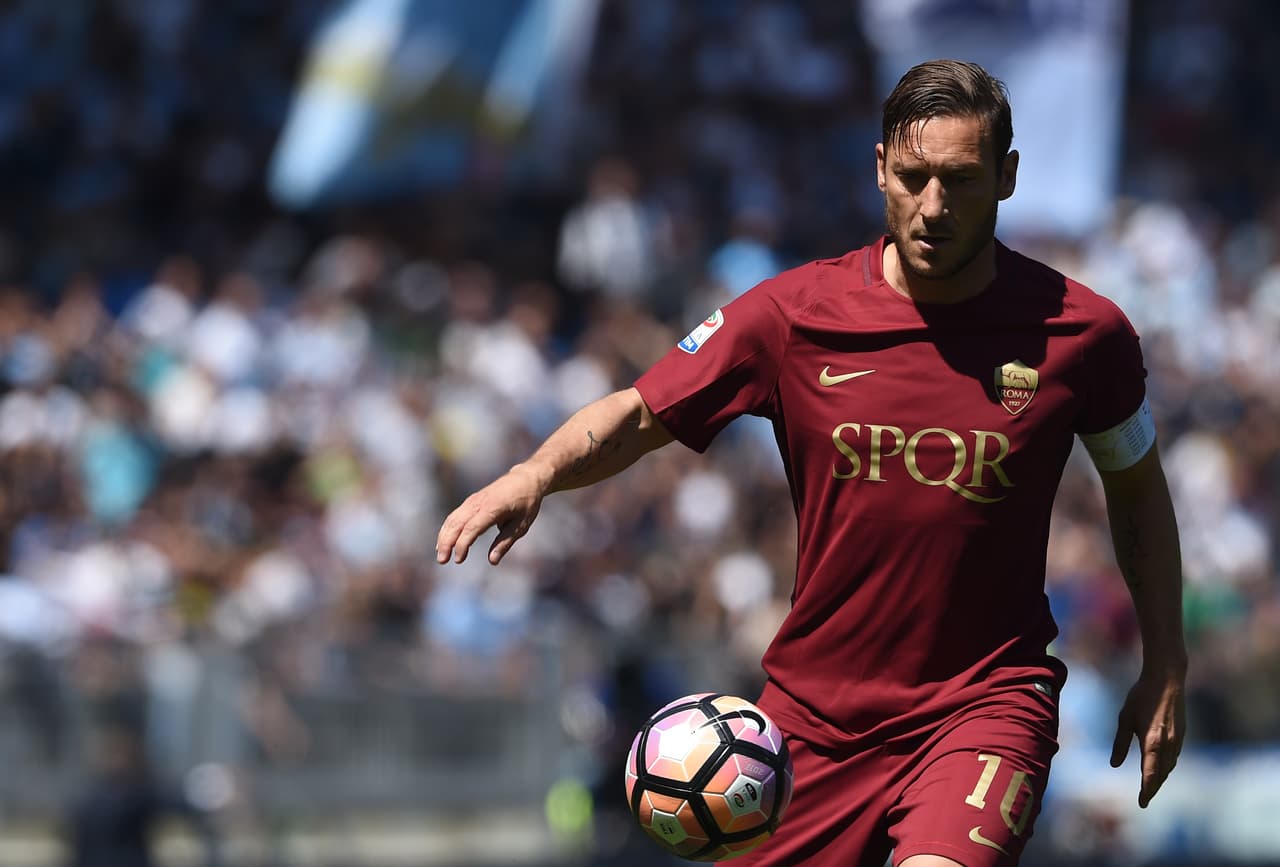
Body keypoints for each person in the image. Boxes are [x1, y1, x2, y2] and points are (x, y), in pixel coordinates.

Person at [436, 59, 1186, 867]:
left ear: (1006, 177)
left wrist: (1166, 660)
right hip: (811, 724)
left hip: (983, 705)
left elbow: (1137, 487)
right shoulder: (794, 315)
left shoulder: (1086, 334)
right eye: (914, 177)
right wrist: (535, 472)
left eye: (962, 181)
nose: (934, 207)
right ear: (879, 169)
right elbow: (642, 411)